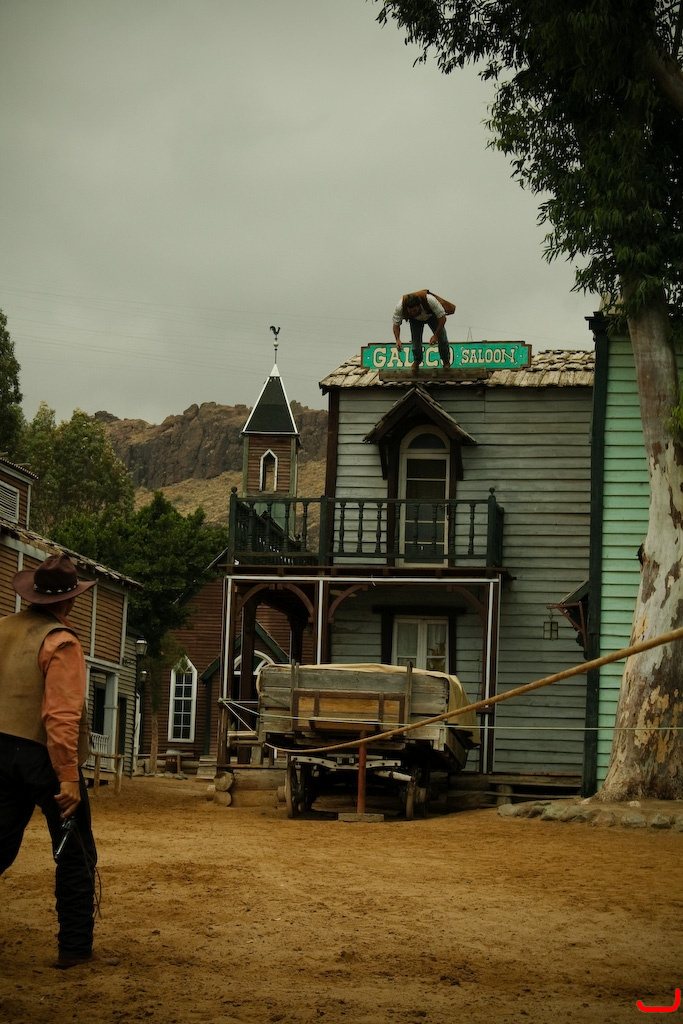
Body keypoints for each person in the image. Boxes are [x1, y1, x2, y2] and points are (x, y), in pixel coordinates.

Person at [0, 553, 98, 969]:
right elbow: (60, 716)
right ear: (70, 600)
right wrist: (68, 777)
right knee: (74, 851)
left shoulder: (2, 628)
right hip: (42, 757)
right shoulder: (61, 641)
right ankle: (74, 948)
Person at [392, 290, 453, 370]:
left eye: (415, 310)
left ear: (419, 306)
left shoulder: (430, 300)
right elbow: (396, 324)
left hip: (431, 316)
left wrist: (436, 335)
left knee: (442, 338)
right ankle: (417, 361)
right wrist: (397, 339)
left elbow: (442, 318)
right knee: (416, 342)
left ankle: (445, 361)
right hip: (415, 320)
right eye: (410, 311)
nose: (413, 313)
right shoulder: (400, 307)